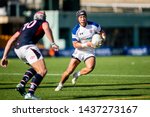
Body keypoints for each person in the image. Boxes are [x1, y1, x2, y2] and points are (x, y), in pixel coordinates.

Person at [0, 11, 59, 99]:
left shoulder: (25, 25)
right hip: (28, 47)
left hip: (18, 50)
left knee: (36, 68)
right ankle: (30, 93)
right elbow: (46, 28)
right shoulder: (43, 22)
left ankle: (21, 84)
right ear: (43, 17)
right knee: (42, 71)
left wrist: (4, 56)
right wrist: (53, 43)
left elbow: (12, 39)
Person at [55, 10, 106, 91]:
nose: (83, 19)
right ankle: (60, 84)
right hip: (79, 51)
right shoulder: (75, 30)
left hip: (89, 51)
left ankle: (77, 74)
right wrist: (87, 44)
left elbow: (102, 32)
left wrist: (103, 38)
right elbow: (75, 44)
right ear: (78, 19)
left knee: (90, 68)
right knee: (69, 71)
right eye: (80, 17)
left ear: (86, 17)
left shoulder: (94, 25)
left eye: (84, 17)